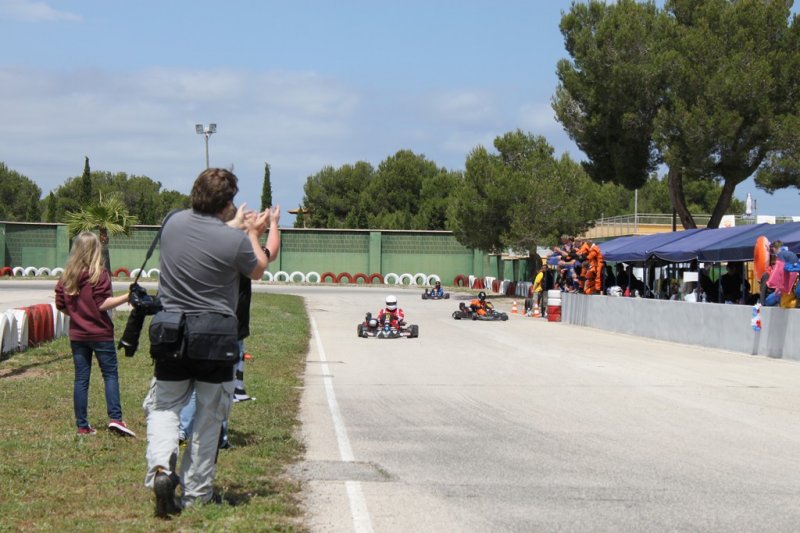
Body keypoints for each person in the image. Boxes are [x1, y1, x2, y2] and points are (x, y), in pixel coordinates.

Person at [142, 168, 275, 518]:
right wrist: (253, 232)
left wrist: (235, 225)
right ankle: (197, 492)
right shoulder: (233, 241)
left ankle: (161, 469)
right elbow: (258, 268)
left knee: (164, 407)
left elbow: (202, 234)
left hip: (171, 331)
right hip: (215, 337)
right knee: (209, 415)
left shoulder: (172, 223)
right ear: (227, 202)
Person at [54, 231, 136, 437]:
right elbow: (103, 304)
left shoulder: (66, 277)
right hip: (101, 333)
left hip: (78, 335)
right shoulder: (99, 275)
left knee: (81, 379)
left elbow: (60, 305)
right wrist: (128, 296)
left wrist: (77, 315)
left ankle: (82, 425)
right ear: (95, 250)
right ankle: (116, 418)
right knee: (110, 375)